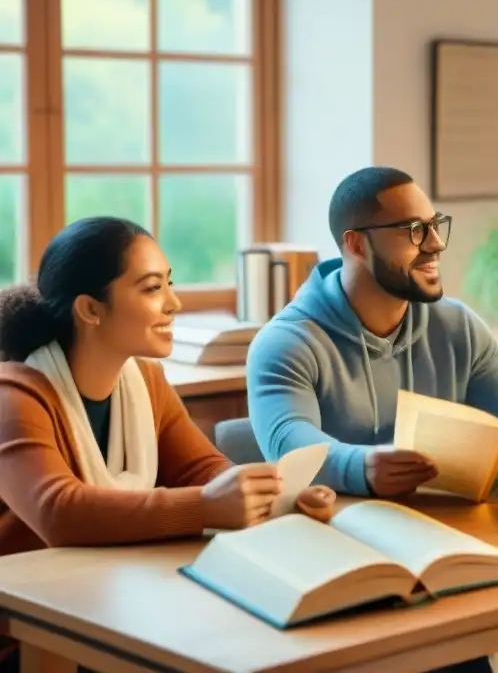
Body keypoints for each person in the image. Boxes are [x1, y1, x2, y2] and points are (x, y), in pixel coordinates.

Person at [246, 168, 498, 673]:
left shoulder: (457, 325)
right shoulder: (286, 342)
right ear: (356, 244)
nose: (434, 245)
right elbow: (290, 444)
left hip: (449, 540)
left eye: (434, 225)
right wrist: (364, 468)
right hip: (346, 560)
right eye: (413, 231)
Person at [0, 217, 333, 672]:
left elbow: (204, 472)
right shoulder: (14, 395)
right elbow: (58, 512)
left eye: (169, 285)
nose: (173, 303)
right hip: (26, 630)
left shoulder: (146, 383)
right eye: (152, 288)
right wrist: (206, 507)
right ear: (90, 309)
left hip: (111, 602)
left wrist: (275, 497)